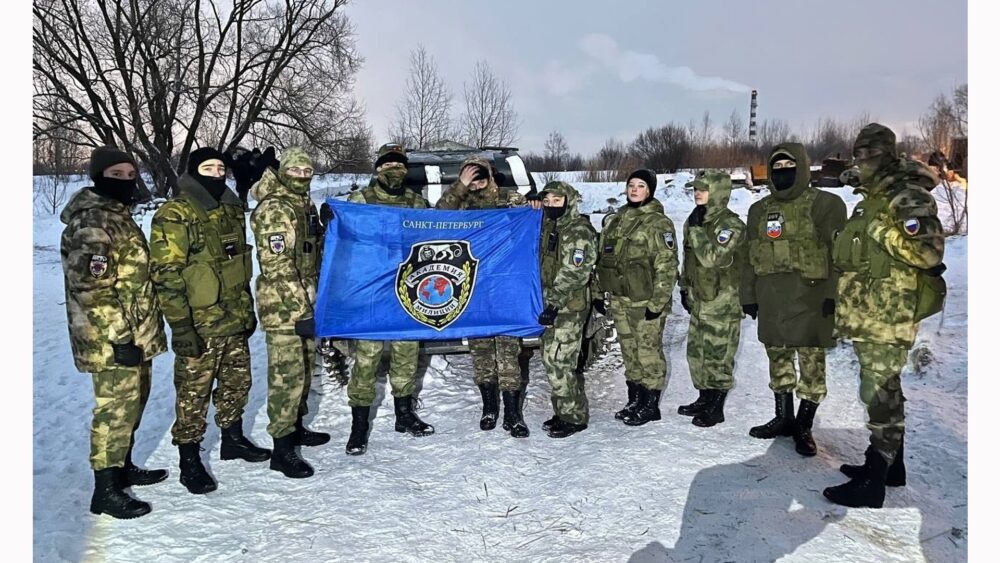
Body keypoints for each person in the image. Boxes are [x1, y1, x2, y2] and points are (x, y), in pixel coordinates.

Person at [823, 123, 946, 508]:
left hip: (890, 313)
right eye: (857, 154)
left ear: (888, 155)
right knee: (884, 390)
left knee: (878, 393)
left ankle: (875, 480)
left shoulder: (905, 196)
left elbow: (929, 252)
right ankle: (892, 467)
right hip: (870, 312)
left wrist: (882, 231)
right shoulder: (871, 197)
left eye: (868, 154)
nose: (861, 161)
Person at [150, 147, 269, 494]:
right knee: (193, 394)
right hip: (200, 322)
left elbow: (237, 266)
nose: (217, 173)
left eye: (221, 168)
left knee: (237, 383)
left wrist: (247, 312)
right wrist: (181, 326)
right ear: (193, 171)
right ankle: (189, 459)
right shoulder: (176, 213)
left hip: (232, 317)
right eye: (208, 167)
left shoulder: (231, 207)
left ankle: (232, 440)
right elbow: (167, 275)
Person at [61, 146, 168, 519]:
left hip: (135, 333)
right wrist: (121, 337)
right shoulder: (92, 221)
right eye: (115, 175)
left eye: (128, 175)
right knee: (114, 410)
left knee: (133, 405)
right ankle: (105, 490)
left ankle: (121, 468)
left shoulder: (119, 215)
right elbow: (93, 289)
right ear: (98, 177)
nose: (124, 181)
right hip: (111, 339)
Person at [741, 143, 847, 456]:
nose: (782, 171)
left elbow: (838, 257)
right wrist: (748, 295)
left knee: (812, 364)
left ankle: (804, 424)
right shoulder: (758, 211)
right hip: (772, 300)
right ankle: (783, 417)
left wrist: (833, 296)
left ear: (801, 168)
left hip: (811, 300)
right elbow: (748, 257)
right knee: (778, 358)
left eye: (789, 165)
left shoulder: (826, 204)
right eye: (777, 166)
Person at [344, 144, 435, 455]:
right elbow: (345, 242)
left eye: (400, 166)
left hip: (406, 289)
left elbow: (433, 236)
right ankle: (358, 427)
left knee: (406, 354)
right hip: (371, 290)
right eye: (388, 166)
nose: (395, 171)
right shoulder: (360, 200)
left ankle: (404, 415)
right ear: (378, 169)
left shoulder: (415, 202)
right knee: (367, 359)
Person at [250, 147, 330, 479]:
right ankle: (282, 449)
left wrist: (324, 229)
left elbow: (308, 255)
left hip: (305, 300)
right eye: (294, 171)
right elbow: (279, 267)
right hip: (285, 306)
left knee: (305, 369)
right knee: (287, 376)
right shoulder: (275, 210)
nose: (301, 176)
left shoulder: (301, 205)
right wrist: (301, 310)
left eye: (306, 171)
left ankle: (295, 427)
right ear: (283, 172)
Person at [437, 156, 530, 438]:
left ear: (492, 174)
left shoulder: (510, 199)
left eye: (482, 174)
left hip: (505, 287)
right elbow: (439, 216)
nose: (477, 179)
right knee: (481, 352)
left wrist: (537, 205)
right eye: (471, 174)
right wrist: (461, 185)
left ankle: (513, 414)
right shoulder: (461, 202)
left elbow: (530, 227)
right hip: (473, 288)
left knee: (507, 351)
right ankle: (489, 407)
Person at [592, 169, 678, 427]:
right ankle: (635, 399)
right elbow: (601, 259)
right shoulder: (616, 220)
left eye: (641, 186)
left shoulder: (658, 223)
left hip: (646, 300)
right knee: (629, 351)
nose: (634, 189)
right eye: (631, 185)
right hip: (620, 298)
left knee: (648, 351)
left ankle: (650, 405)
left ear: (650, 190)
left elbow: (667, 265)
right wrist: (599, 292)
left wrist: (658, 302)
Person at [677, 170, 747, 427]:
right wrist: (685, 287)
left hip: (723, 303)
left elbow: (710, 257)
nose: (698, 193)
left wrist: (696, 230)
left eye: (704, 189)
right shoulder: (694, 219)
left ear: (718, 192)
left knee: (719, 356)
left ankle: (716, 407)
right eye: (696, 188)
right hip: (700, 300)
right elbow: (690, 261)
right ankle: (704, 397)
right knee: (697, 354)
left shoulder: (731, 225)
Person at [537, 181, 598, 438]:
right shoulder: (551, 227)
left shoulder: (578, 231)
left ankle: (574, 417)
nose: (551, 206)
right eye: (547, 201)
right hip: (551, 304)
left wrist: (552, 302)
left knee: (560, 361)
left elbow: (574, 272)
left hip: (568, 307)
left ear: (569, 201)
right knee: (551, 360)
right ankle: (563, 410)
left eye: (557, 201)